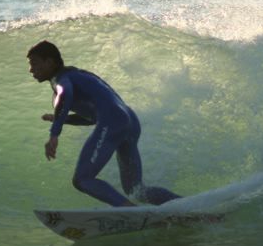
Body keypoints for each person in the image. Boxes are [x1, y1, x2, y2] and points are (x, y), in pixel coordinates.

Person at [27, 40, 181, 207]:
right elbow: (93, 117)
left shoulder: (61, 79)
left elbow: (65, 94)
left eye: (34, 64)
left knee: (82, 179)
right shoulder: (78, 75)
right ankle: (186, 206)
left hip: (113, 120)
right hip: (128, 121)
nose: (31, 70)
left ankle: (129, 211)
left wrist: (54, 133)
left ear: (49, 62)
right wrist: (64, 119)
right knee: (135, 189)